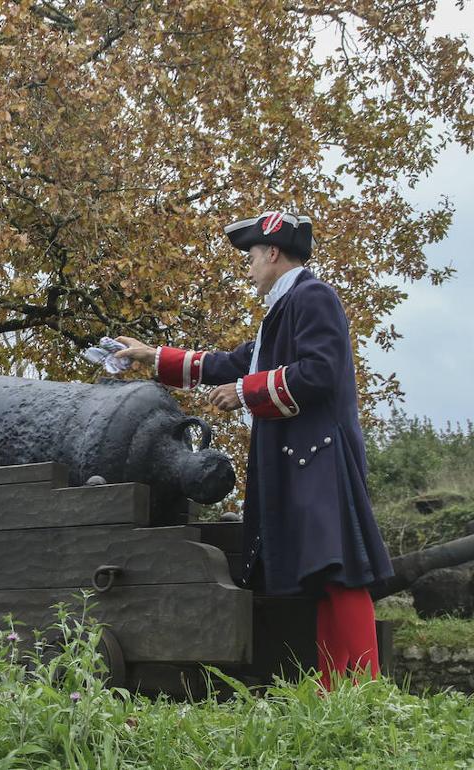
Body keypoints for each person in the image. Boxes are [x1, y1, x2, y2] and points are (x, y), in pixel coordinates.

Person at [114, 210, 394, 689]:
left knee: (340, 574)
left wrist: (246, 392)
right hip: (299, 464)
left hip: (317, 460)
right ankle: (336, 691)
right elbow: (229, 362)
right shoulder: (283, 311)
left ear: (272, 253)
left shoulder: (313, 296)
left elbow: (319, 372)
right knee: (319, 578)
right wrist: (152, 356)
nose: (246, 267)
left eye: (250, 256)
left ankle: (364, 687)